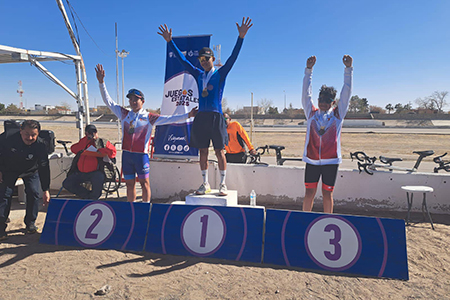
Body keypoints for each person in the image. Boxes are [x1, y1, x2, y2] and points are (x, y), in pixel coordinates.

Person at [157, 17, 253, 196]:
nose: (203, 61)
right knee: (202, 151)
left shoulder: (221, 73)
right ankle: (205, 183)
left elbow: (233, 58)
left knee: (219, 152)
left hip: (216, 116)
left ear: (213, 59)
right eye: (201, 59)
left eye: (206, 58)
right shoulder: (198, 74)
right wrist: (170, 42)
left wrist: (241, 38)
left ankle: (223, 184)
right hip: (201, 117)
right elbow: (183, 61)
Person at [95, 64, 198, 203]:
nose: (132, 102)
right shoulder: (124, 114)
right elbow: (109, 102)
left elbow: (169, 119)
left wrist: (188, 115)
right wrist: (101, 83)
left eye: (135, 99)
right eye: (130, 99)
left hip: (141, 156)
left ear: (142, 101)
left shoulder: (150, 117)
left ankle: (145, 208)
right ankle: (131, 209)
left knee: (145, 184)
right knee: (129, 184)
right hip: (127, 155)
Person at [301, 55, 353, 214]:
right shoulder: (311, 113)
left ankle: (327, 220)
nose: (323, 103)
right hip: (312, 160)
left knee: (327, 193)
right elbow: (305, 94)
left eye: (327, 100)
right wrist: (308, 71)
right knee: (309, 193)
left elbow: (347, 93)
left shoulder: (338, 115)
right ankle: (304, 219)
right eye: (320, 100)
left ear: (333, 102)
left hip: (331, 160)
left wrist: (348, 70)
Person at [0, 120, 51, 240]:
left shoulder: (41, 145)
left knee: (33, 192)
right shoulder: (7, 137)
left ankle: (30, 223)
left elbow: (44, 167)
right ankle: (1, 228)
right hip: (8, 169)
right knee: (4, 196)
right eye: (26, 134)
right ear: (20, 131)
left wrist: (46, 189)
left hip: (30, 170)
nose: (30, 137)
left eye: (34, 135)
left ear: (38, 133)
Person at [62, 124, 117, 200]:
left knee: (98, 182)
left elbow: (112, 152)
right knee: (67, 183)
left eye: (93, 132)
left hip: (96, 172)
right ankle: (87, 195)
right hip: (81, 172)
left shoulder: (102, 141)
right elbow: (74, 149)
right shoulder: (84, 141)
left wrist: (98, 149)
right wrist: (86, 139)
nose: (91, 134)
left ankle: (93, 198)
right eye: (88, 132)